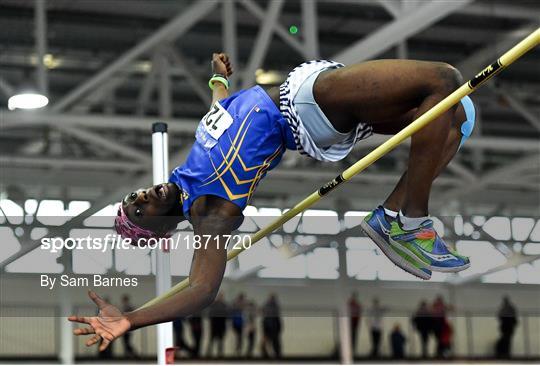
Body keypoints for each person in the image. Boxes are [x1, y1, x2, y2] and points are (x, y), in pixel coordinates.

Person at [68, 52, 476, 349]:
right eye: (140, 209)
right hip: (306, 105)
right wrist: (131, 320)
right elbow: (202, 288)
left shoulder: (186, 173)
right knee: (443, 78)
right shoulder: (207, 211)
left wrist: (218, 81)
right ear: (159, 225)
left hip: (313, 106)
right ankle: (410, 219)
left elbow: (220, 114)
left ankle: (390, 214)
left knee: (456, 119)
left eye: (133, 196)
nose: (141, 196)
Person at [206, 293, 228, 358]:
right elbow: (210, 315)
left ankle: (219, 353)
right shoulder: (215, 305)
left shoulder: (223, 305)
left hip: (220, 326)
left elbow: (226, 316)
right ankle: (209, 353)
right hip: (215, 326)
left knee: (220, 341)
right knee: (212, 340)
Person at [261, 294, 282, 359]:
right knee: (275, 343)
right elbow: (278, 319)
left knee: (267, 343)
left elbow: (265, 318)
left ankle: (266, 355)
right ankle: (276, 355)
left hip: (269, 327)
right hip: (273, 328)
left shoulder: (267, 305)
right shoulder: (276, 306)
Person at [120, 295, 138, 359]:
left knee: (127, 343)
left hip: (127, 328)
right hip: (124, 328)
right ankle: (129, 354)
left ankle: (134, 354)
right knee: (126, 343)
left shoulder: (128, 307)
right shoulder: (124, 307)